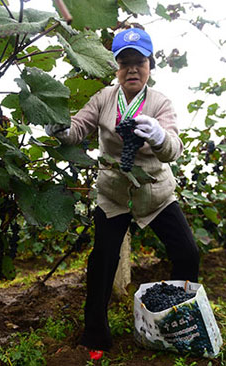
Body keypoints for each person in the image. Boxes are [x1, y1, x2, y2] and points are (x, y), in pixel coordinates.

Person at [46, 27, 200, 359]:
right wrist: (58, 127)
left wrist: (158, 136)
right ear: (116, 68)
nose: (132, 69)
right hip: (113, 194)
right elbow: (77, 130)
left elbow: (173, 149)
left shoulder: (160, 102)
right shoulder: (103, 98)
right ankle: (96, 337)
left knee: (187, 253)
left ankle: (178, 323)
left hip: (154, 193)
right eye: (125, 62)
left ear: (149, 65)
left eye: (139, 62)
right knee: (102, 262)